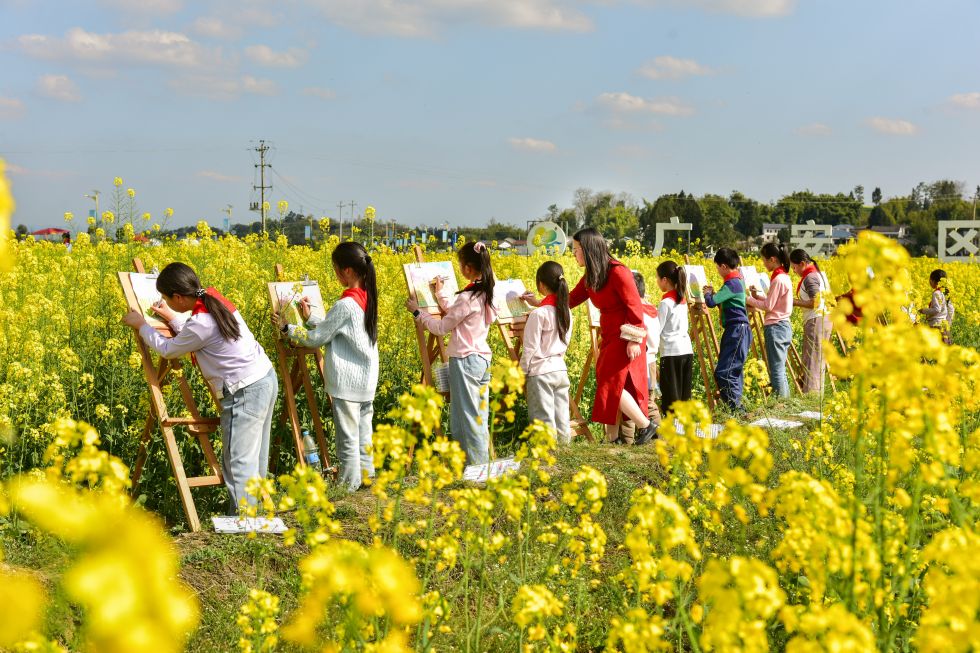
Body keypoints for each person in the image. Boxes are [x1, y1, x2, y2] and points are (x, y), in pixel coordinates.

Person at [122, 262, 277, 514]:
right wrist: (172, 318)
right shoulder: (214, 301)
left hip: (244, 390)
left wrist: (142, 325)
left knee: (237, 459)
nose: (165, 302)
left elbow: (169, 349)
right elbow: (199, 337)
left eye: (166, 299)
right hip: (264, 379)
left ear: (179, 297)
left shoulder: (201, 322)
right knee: (255, 455)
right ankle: (255, 515)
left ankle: (244, 520)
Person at [274, 242, 379, 491]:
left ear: (347, 271)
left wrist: (288, 328)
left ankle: (348, 486)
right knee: (364, 433)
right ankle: (366, 477)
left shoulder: (345, 305)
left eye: (335, 269)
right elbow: (336, 328)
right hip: (366, 380)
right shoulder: (366, 297)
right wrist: (310, 318)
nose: (335, 274)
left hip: (348, 382)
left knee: (348, 437)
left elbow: (318, 338)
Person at [407, 241, 496, 465]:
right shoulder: (486, 293)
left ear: (466, 268)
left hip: (465, 361)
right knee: (475, 416)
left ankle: (478, 468)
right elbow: (456, 312)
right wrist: (440, 294)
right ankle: (468, 464)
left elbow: (440, 327)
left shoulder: (468, 298)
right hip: (482, 360)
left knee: (468, 417)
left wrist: (419, 313)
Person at [567, 227, 654, 445]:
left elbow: (634, 306)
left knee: (610, 384)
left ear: (588, 250)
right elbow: (570, 299)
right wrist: (541, 305)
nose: (574, 253)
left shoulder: (618, 272)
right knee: (614, 386)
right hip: (609, 335)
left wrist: (634, 339)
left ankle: (646, 426)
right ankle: (613, 438)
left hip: (626, 335)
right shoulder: (592, 275)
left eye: (576, 249)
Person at [519, 261, 573, 444]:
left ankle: (545, 456)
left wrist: (522, 372)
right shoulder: (566, 312)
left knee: (543, 419)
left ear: (541, 285)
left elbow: (529, 348)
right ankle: (565, 452)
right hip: (560, 369)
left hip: (540, 373)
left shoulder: (538, 314)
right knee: (562, 416)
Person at [703, 248, 751, 411]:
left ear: (723, 266)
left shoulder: (732, 283)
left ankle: (735, 409)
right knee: (733, 370)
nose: (717, 271)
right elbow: (723, 301)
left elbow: (711, 302)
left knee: (725, 372)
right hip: (737, 329)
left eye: (717, 267)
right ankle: (736, 409)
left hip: (737, 330)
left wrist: (708, 293)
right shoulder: (737, 281)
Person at [619, 271, 663, 444]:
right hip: (651, 362)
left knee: (634, 405)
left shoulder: (638, 314)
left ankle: (629, 441)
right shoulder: (652, 309)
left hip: (639, 364)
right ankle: (660, 436)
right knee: (648, 402)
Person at [746, 243, 793, 398]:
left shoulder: (778, 279)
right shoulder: (784, 276)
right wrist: (756, 296)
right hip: (783, 326)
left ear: (772, 259)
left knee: (776, 369)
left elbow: (768, 306)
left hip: (776, 327)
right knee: (780, 368)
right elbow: (773, 302)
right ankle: (785, 403)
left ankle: (781, 405)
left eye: (765, 260)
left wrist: (746, 298)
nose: (764, 263)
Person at [656, 260, 694, 418]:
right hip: (686, 350)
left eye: (658, 278)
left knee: (671, 395)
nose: (657, 282)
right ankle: (684, 427)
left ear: (665, 280)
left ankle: (673, 431)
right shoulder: (682, 300)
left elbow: (657, 329)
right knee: (684, 394)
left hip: (671, 353)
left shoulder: (665, 303)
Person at [790, 248, 830, 394]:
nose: (794, 271)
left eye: (794, 267)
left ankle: (811, 396)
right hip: (823, 319)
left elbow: (814, 302)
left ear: (802, 263)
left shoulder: (810, 277)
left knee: (812, 360)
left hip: (816, 320)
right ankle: (816, 394)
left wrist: (793, 301)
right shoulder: (818, 274)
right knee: (817, 359)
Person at [919, 268, 955, 345]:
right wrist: (948, 323)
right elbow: (951, 309)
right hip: (944, 325)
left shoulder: (936, 293)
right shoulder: (945, 292)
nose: (929, 282)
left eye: (930, 280)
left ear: (934, 281)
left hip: (936, 326)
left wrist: (923, 310)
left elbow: (936, 310)